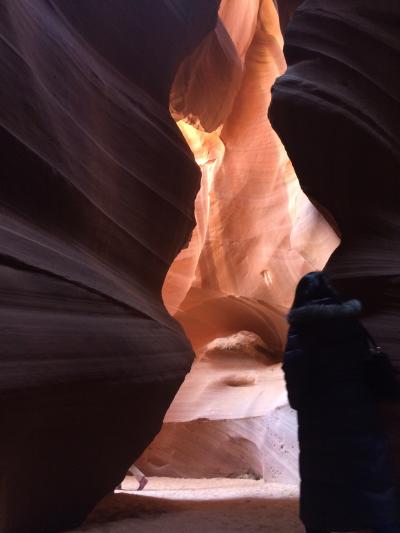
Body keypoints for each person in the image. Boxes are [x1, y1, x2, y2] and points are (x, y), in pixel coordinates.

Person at [284, 271, 400, 533]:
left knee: (324, 482)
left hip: (320, 423)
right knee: (370, 479)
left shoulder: (300, 334)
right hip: (360, 415)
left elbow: (296, 389)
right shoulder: (351, 325)